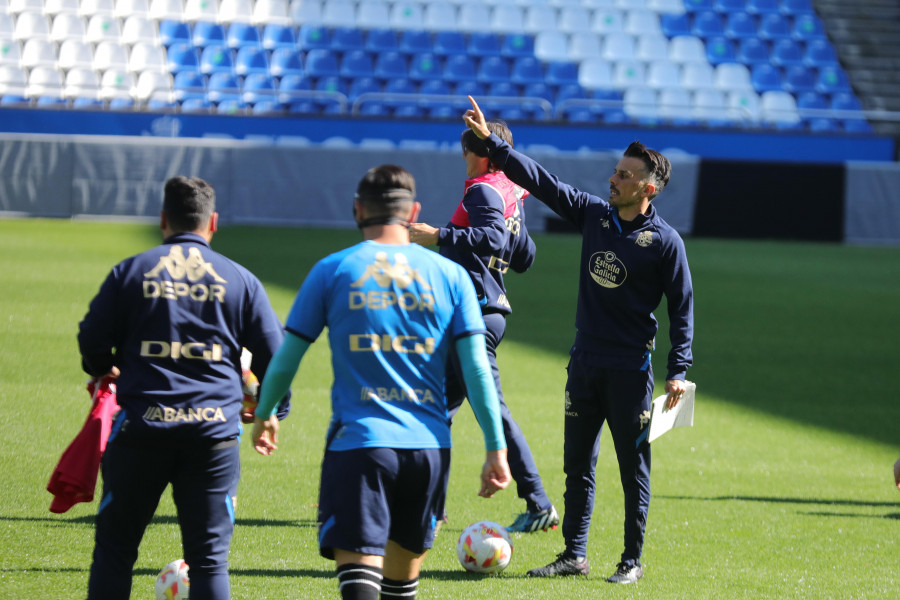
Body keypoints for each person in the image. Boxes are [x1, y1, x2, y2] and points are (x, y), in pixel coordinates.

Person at [251, 164, 511, 600]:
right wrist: (495, 447)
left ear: (357, 210)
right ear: (414, 212)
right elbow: (476, 369)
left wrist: (266, 413)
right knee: (399, 589)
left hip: (360, 446)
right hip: (428, 450)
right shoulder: (450, 276)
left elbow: (285, 358)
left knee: (360, 589)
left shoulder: (333, 270)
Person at [462, 96, 694, 585]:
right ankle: (574, 553)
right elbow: (543, 183)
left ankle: (631, 561)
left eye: (624, 176)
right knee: (577, 467)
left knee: (634, 470)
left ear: (648, 188)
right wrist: (496, 149)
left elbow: (682, 308)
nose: (613, 179)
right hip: (584, 362)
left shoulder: (666, 242)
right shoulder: (595, 215)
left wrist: (679, 369)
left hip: (631, 370)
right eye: (615, 171)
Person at [78, 176, 291, 599]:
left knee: (116, 551)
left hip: (142, 430)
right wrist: (271, 411)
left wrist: (106, 367)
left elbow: (92, 338)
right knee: (209, 559)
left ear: (162, 220)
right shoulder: (240, 279)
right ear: (213, 222)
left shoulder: (132, 271)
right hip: (213, 436)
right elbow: (276, 356)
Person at [408, 120, 558, 533]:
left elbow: (491, 238)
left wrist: (437, 234)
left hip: (470, 314)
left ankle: (539, 501)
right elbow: (524, 257)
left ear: (484, 153)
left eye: (467, 150)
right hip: (488, 313)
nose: (463, 158)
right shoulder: (509, 194)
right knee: (437, 409)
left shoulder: (481, 190)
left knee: (490, 409)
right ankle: (430, 508)